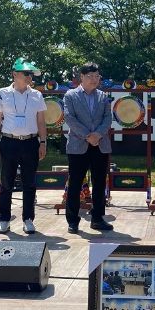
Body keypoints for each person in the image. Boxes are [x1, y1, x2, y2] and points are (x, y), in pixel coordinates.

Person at [0, 58, 47, 234]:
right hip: (9, 142)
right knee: (6, 183)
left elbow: (41, 121)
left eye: (31, 74)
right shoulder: (2, 93)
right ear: (15, 74)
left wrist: (43, 142)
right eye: (26, 73)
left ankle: (28, 219)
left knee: (29, 183)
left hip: (30, 142)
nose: (30, 77)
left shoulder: (37, 95)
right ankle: (4, 220)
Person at [63, 62, 113, 233]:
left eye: (97, 76)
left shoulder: (103, 96)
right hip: (78, 145)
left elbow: (107, 118)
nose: (94, 79)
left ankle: (97, 219)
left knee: (99, 183)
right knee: (75, 183)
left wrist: (97, 135)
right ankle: (72, 221)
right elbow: (69, 118)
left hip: (100, 144)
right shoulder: (70, 95)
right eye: (90, 76)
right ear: (82, 77)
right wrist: (88, 136)